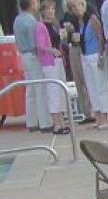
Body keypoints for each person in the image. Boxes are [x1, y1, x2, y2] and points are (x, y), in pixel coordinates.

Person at [14, 0, 51, 132]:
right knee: (40, 88)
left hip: (23, 54)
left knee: (30, 88)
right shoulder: (31, 21)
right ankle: (45, 123)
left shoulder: (17, 19)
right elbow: (35, 44)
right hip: (32, 55)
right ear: (31, 4)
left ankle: (32, 121)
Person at [73, 0, 108, 129]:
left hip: (95, 54)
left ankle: (104, 117)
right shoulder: (80, 22)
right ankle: (98, 116)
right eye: (73, 7)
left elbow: (100, 36)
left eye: (78, 5)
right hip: (85, 55)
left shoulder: (92, 19)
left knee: (100, 86)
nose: (75, 9)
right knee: (91, 87)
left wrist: (101, 54)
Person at [35, 0, 68, 135]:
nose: (51, 11)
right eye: (48, 9)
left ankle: (62, 121)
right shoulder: (40, 26)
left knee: (60, 90)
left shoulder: (55, 25)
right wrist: (52, 50)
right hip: (49, 62)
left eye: (53, 9)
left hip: (59, 60)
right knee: (53, 91)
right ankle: (56, 124)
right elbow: (41, 45)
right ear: (42, 11)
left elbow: (60, 40)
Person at [61, 0, 94, 122]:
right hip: (73, 47)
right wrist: (66, 32)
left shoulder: (86, 11)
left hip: (83, 47)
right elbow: (64, 34)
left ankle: (93, 110)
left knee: (86, 79)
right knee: (78, 80)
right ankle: (86, 111)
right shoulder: (67, 15)